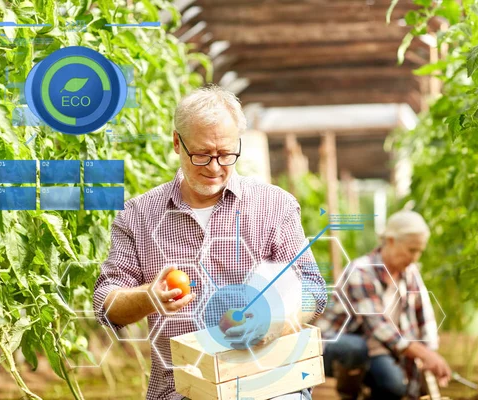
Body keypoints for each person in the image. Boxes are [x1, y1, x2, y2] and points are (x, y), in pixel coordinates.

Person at [93, 85, 327, 400]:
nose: (215, 168)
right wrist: (150, 296)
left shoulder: (275, 206)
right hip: (181, 390)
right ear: (177, 142)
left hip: (266, 382)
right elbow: (105, 305)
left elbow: (313, 288)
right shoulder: (138, 215)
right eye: (202, 154)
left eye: (226, 154)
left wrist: (280, 321)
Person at [316, 210, 451, 400]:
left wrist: (430, 353)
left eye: (419, 251)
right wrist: (423, 354)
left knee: (393, 387)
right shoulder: (361, 270)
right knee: (356, 349)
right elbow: (378, 325)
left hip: (379, 347)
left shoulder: (410, 272)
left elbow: (424, 314)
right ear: (390, 241)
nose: (415, 257)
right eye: (412, 250)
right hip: (342, 343)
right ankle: (348, 392)